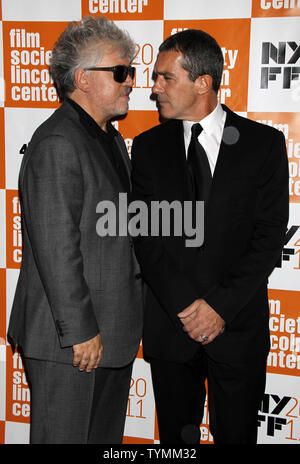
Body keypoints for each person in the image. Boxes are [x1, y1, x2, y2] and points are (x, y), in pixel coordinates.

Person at [131, 29, 289, 444]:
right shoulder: (147, 148)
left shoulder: (264, 144)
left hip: (237, 331)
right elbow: (145, 237)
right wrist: (188, 308)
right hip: (171, 328)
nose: (155, 88)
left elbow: (269, 238)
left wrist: (219, 308)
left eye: (166, 78)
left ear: (203, 82)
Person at [7, 16, 143, 444]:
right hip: (70, 340)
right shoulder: (58, 142)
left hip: (111, 331)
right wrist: (81, 330)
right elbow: (55, 246)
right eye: (120, 72)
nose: (130, 83)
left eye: (132, 72)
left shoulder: (109, 138)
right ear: (83, 78)